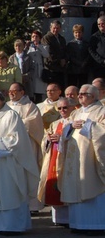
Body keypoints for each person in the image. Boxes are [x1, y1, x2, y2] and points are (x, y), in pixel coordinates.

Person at [0, 90, 39, 235]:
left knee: (9, 192)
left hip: (9, 163)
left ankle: (13, 226)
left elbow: (16, 140)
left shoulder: (11, 115)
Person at [60, 84, 105, 234]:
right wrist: (71, 126)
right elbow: (65, 128)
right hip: (75, 157)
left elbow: (103, 131)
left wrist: (89, 126)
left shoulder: (101, 110)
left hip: (90, 159)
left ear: (93, 96)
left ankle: (95, 225)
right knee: (76, 186)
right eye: (79, 94)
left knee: (90, 186)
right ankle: (77, 224)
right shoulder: (76, 113)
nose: (79, 96)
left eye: (83, 94)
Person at [38, 96, 77, 227]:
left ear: (73, 108)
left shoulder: (75, 122)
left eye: (65, 107)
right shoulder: (55, 123)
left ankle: (70, 218)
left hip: (67, 159)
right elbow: (44, 140)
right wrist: (48, 139)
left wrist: (61, 138)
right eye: (59, 108)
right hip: (54, 158)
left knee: (66, 185)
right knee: (54, 186)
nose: (62, 110)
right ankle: (59, 219)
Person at [6, 82, 44, 212]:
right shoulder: (5, 106)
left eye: (14, 91)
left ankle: (33, 205)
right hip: (10, 147)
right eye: (10, 91)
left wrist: (15, 124)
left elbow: (34, 123)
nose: (11, 93)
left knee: (28, 172)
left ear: (22, 92)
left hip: (27, 146)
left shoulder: (30, 107)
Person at [42, 20, 67, 88]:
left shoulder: (62, 39)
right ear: (50, 28)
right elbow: (49, 52)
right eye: (54, 28)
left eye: (57, 28)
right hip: (51, 68)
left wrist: (64, 59)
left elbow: (65, 50)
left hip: (60, 69)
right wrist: (59, 60)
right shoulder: (46, 38)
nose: (55, 30)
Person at [27, 30, 50, 102]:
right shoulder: (28, 48)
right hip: (31, 72)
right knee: (31, 92)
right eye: (33, 36)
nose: (34, 38)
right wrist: (26, 46)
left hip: (40, 72)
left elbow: (46, 55)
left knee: (39, 93)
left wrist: (39, 46)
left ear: (40, 38)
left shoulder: (43, 47)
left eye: (36, 36)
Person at [66, 23, 89, 88]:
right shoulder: (70, 44)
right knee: (73, 86)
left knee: (83, 86)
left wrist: (84, 62)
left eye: (79, 32)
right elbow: (69, 56)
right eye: (76, 32)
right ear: (73, 33)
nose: (78, 34)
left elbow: (89, 54)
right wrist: (78, 63)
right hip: (73, 69)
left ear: (82, 33)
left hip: (84, 69)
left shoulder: (86, 43)